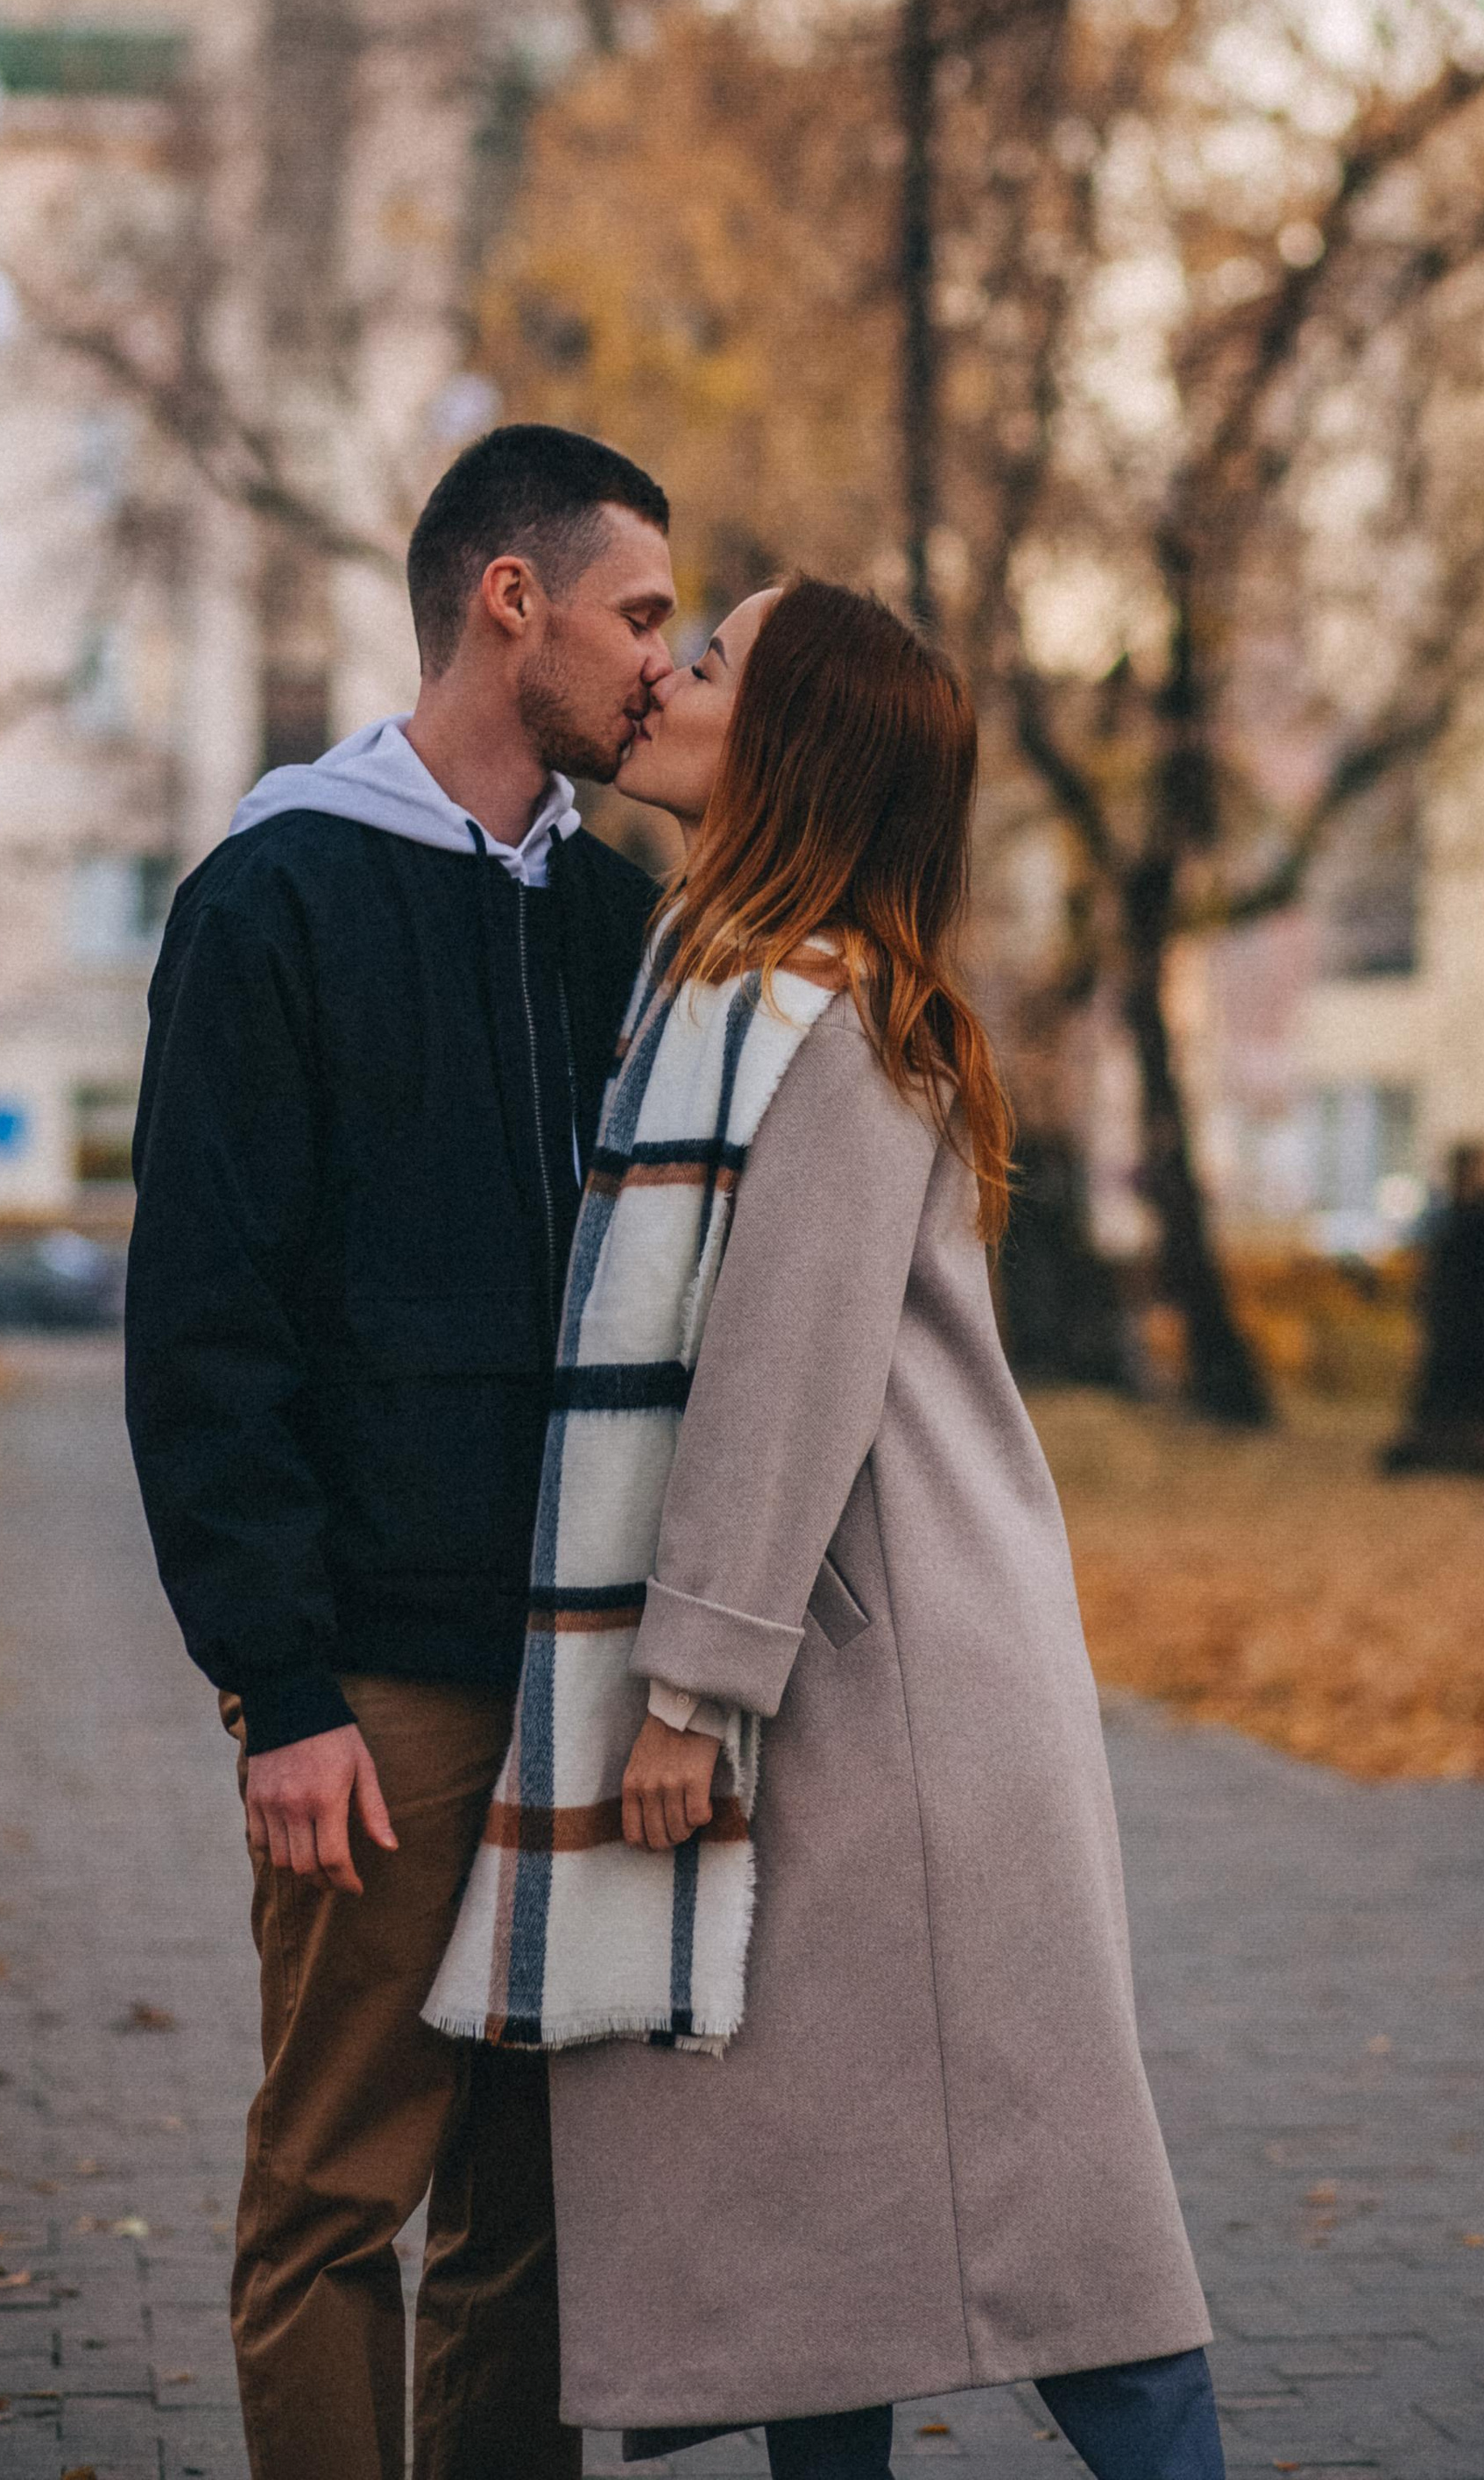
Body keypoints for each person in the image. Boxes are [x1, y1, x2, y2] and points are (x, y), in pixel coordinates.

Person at [440, 577, 1225, 2480]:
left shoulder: (826, 1019)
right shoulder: (724, 988)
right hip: (842, 1685)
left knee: (1058, 2241)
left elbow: (777, 1376)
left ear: (780, 741)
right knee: (821, 2251)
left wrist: (687, 1695)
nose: (661, 676)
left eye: (703, 661)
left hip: (886, 1714)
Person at [124, 424, 678, 2480]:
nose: (658, 663)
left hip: (587, 1689)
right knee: (337, 2199)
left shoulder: (608, 924)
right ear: (503, 602)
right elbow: (205, 1327)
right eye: (636, 614)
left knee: (531, 2225)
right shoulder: (272, 895)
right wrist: (279, 1688)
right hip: (384, 1692)